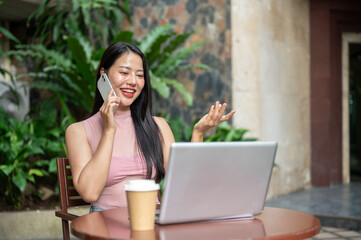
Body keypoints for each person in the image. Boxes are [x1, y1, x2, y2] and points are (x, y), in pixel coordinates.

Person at [65, 41, 235, 212]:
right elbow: (89, 193)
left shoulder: (157, 126)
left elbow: (183, 185)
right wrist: (109, 130)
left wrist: (198, 133)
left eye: (139, 75)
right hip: (105, 223)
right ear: (104, 75)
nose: (132, 81)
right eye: (124, 72)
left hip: (151, 221)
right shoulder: (78, 131)